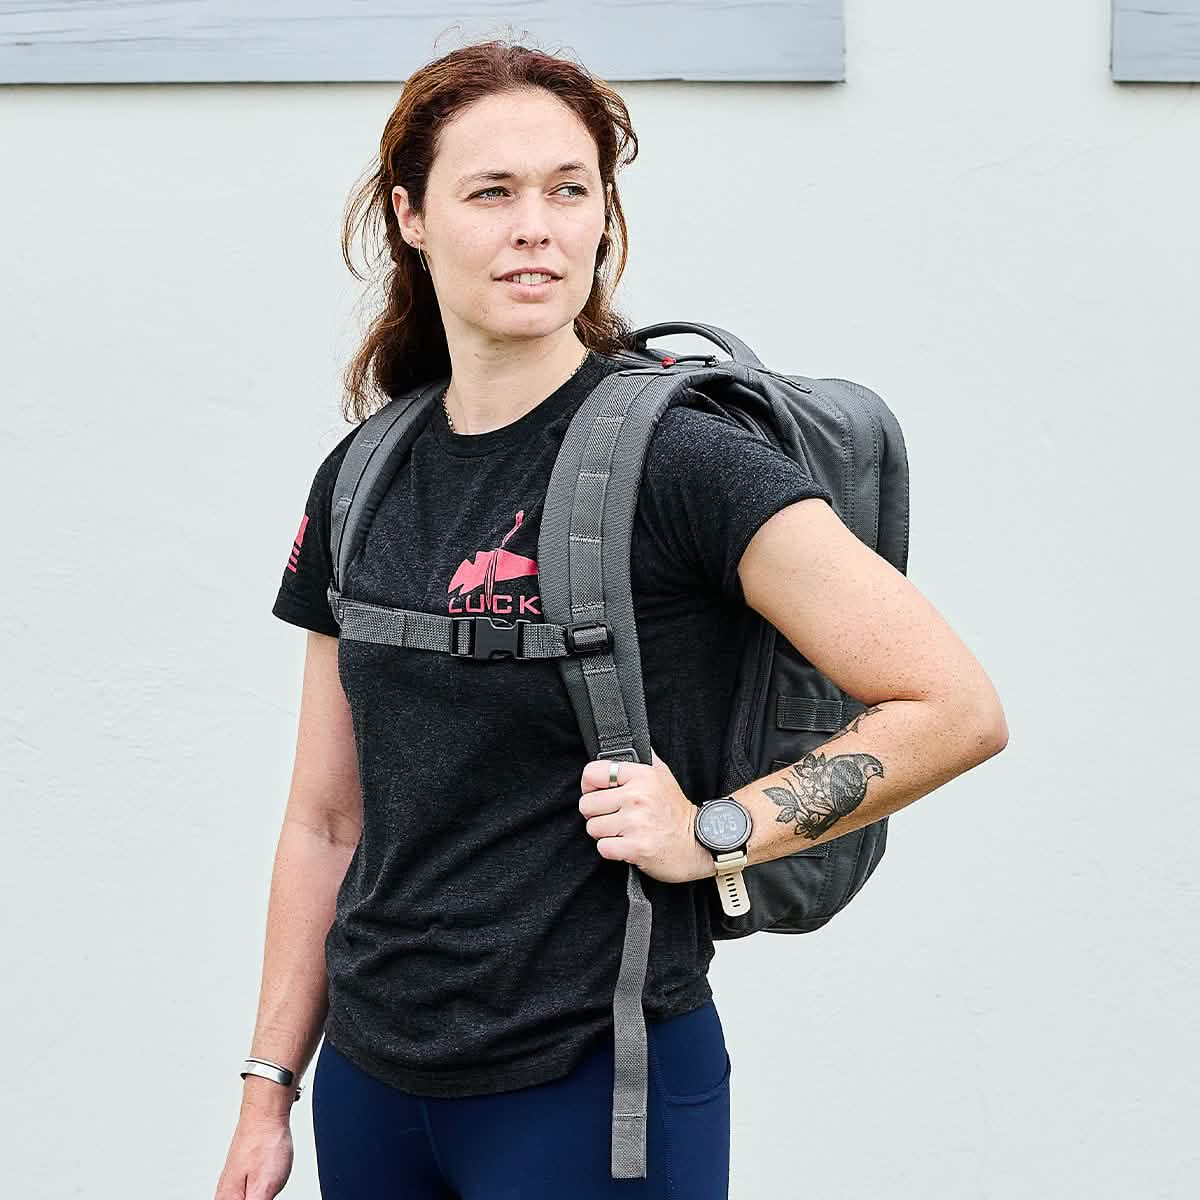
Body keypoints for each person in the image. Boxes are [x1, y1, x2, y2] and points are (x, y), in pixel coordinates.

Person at [214, 39, 1008, 1200]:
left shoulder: (685, 457)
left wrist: (721, 829)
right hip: (374, 1093)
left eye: (569, 189)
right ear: (413, 217)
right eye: (491, 191)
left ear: (602, 218)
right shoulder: (365, 473)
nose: (535, 226)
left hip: (596, 1082)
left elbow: (956, 705)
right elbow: (326, 820)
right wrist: (267, 1088)